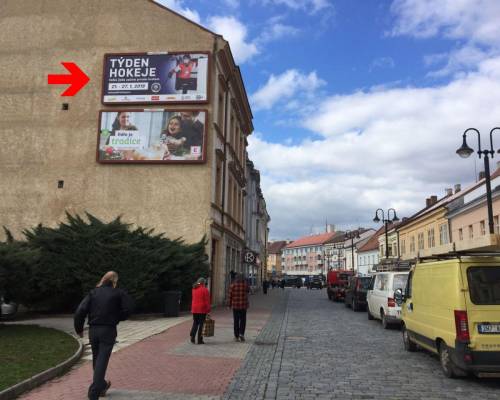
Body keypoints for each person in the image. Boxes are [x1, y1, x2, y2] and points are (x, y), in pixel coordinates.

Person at [74, 271, 134, 400]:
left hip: (93, 330)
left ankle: (101, 385)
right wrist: (118, 317)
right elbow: (129, 309)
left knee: (97, 359)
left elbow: (80, 311)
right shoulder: (119, 293)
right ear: (114, 281)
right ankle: (94, 392)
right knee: (101, 360)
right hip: (108, 330)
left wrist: (79, 328)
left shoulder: (93, 293)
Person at [228, 273, 249, 342]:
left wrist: (229, 305)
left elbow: (230, 296)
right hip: (243, 306)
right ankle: (241, 334)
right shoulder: (245, 285)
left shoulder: (232, 285)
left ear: (236, 278)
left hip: (235, 306)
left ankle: (236, 336)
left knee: (236, 321)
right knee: (243, 320)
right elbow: (249, 291)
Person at [190, 277, 210, 345]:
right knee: (201, 325)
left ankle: (192, 336)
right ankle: (199, 340)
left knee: (195, 322)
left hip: (194, 309)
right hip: (202, 309)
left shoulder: (194, 289)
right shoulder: (205, 290)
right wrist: (208, 310)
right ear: (203, 282)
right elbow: (207, 301)